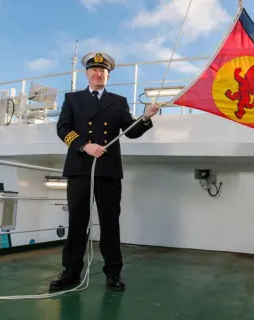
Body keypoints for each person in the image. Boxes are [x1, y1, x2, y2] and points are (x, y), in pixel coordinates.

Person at [49, 52, 159, 292]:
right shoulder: (73, 99)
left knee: (110, 223)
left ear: (107, 76)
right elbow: (63, 128)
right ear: (87, 74)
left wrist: (146, 118)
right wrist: (84, 145)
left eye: (103, 71)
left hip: (108, 170)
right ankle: (70, 272)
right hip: (80, 168)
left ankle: (113, 273)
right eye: (94, 70)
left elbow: (130, 131)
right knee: (77, 221)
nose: (98, 74)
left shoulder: (118, 101)